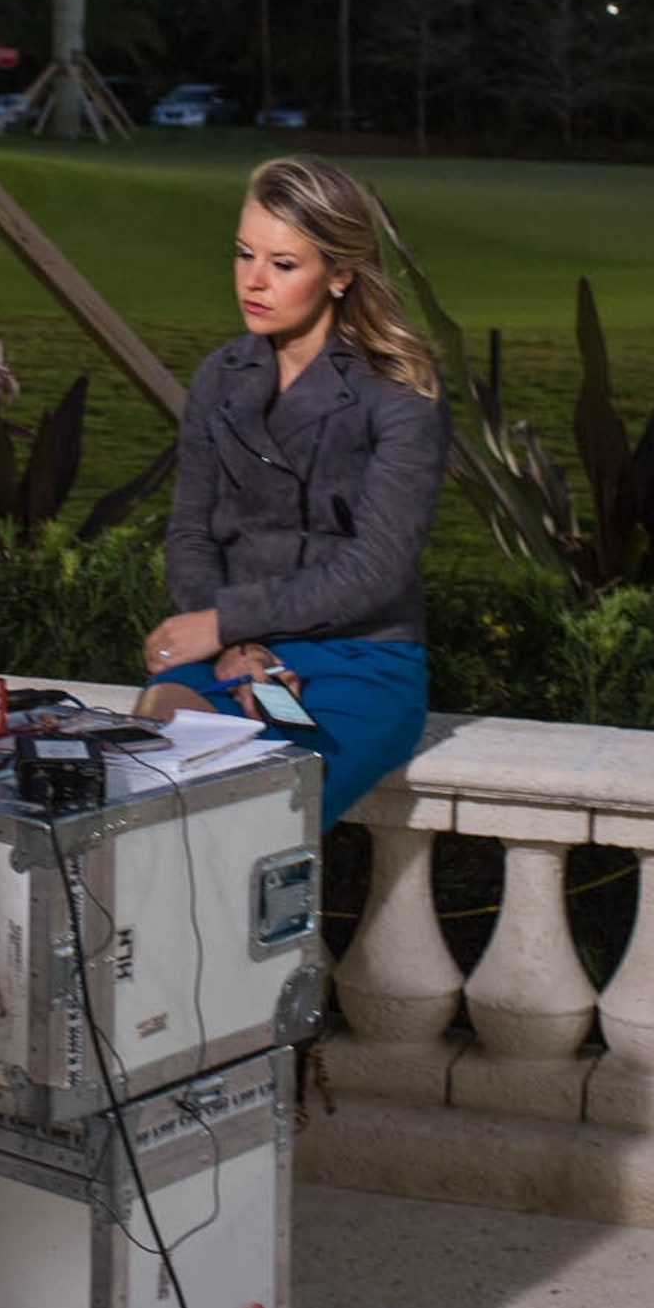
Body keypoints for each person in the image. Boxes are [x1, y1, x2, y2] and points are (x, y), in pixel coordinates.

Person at [137, 155, 448, 830]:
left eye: (283, 263)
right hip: (237, 655)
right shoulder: (220, 376)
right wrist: (233, 646)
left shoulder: (401, 392)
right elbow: (190, 531)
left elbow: (376, 568)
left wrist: (226, 621)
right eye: (245, 253)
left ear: (339, 274)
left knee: (255, 825)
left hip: (364, 657)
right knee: (146, 774)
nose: (253, 280)